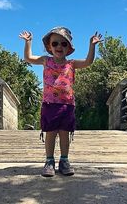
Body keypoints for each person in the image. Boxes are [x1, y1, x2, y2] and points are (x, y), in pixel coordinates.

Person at [19, 27, 102, 177]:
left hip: (67, 105)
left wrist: (92, 45)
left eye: (64, 44)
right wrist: (28, 42)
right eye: (55, 43)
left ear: (69, 48)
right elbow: (28, 58)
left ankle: (64, 160)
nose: (59, 47)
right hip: (50, 104)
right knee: (50, 134)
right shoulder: (46, 60)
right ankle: (49, 161)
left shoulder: (72, 64)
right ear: (49, 47)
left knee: (64, 133)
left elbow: (89, 62)